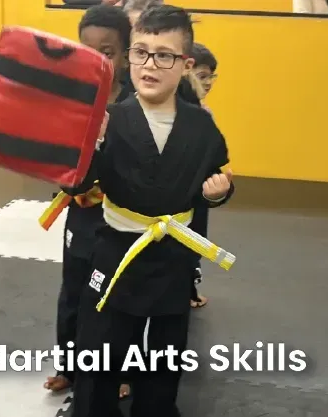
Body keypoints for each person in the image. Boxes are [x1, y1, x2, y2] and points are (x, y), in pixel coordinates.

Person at [68, 5, 235, 417]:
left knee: (165, 353)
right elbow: (77, 183)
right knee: (101, 349)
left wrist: (219, 192)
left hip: (171, 257)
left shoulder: (202, 126)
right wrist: (94, 146)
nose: (149, 64)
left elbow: (216, 175)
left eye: (164, 55)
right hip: (116, 250)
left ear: (185, 64)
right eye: (141, 52)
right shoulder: (112, 118)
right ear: (129, 57)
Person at [43, 4, 133, 397]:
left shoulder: (136, 104)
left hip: (125, 218)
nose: (97, 60)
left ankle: (120, 371)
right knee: (74, 292)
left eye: (108, 51)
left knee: (119, 297)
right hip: (81, 215)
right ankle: (69, 365)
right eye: (88, 50)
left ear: (127, 56)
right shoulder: (73, 99)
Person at [187, 42, 219, 308]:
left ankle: (189, 286)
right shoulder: (184, 113)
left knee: (196, 236)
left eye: (211, 77)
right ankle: (186, 288)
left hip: (199, 192)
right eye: (202, 76)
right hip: (182, 194)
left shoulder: (204, 113)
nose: (208, 83)